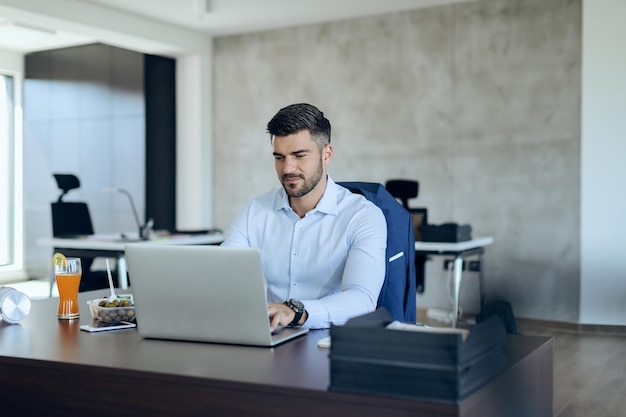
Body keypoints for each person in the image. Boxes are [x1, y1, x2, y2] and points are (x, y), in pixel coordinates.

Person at [221, 103, 387, 330]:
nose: (287, 168)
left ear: (326, 154)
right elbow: (222, 277)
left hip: (330, 342)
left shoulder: (362, 216)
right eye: (279, 157)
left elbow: (362, 299)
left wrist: (296, 312)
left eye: (299, 155)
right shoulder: (255, 211)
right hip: (269, 336)